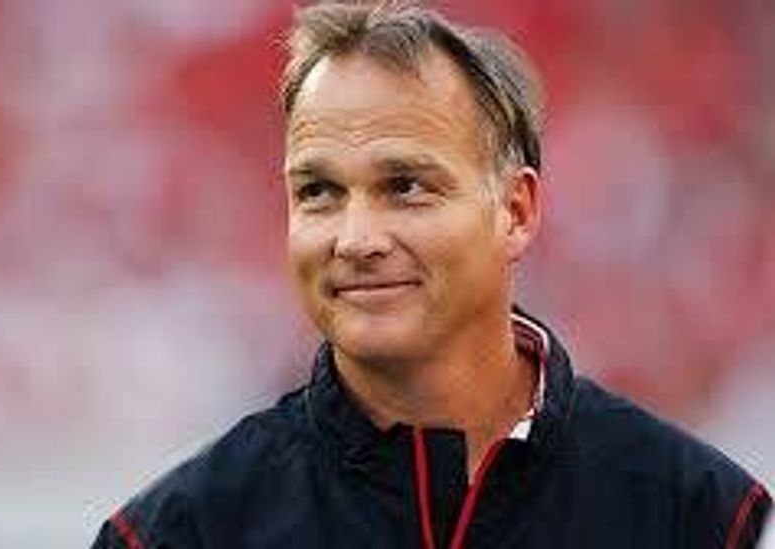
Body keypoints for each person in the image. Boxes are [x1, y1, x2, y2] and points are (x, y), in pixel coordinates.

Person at [92, 2, 771, 547]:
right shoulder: (178, 532)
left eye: (406, 186)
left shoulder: (706, 516)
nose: (356, 240)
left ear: (515, 210)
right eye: (318, 192)